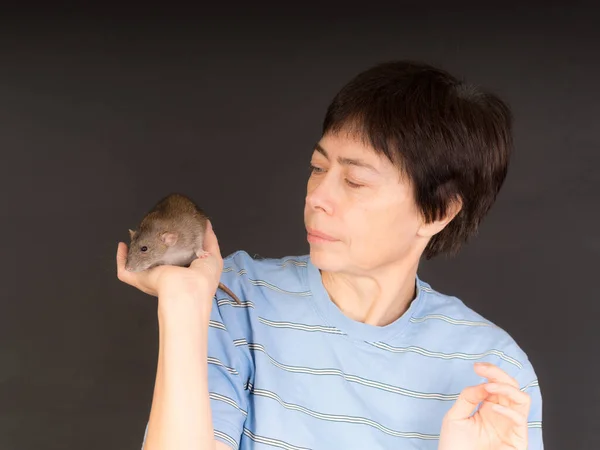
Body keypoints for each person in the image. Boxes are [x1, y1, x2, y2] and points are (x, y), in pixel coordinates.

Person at [117, 60, 543, 450]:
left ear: (438, 212)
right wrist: (183, 304)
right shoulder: (233, 296)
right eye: (318, 168)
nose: (317, 196)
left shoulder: (494, 372)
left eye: (355, 180)